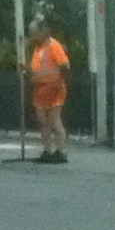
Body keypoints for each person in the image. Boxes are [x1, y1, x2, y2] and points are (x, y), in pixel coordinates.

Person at [27, 18, 70, 164]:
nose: (31, 37)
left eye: (33, 33)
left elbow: (65, 65)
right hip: (40, 89)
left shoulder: (53, 46)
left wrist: (57, 82)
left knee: (54, 121)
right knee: (43, 122)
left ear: (43, 31)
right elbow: (38, 68)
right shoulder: (38, 48)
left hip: (54, 88)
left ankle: (61, 151)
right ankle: (47, 150)